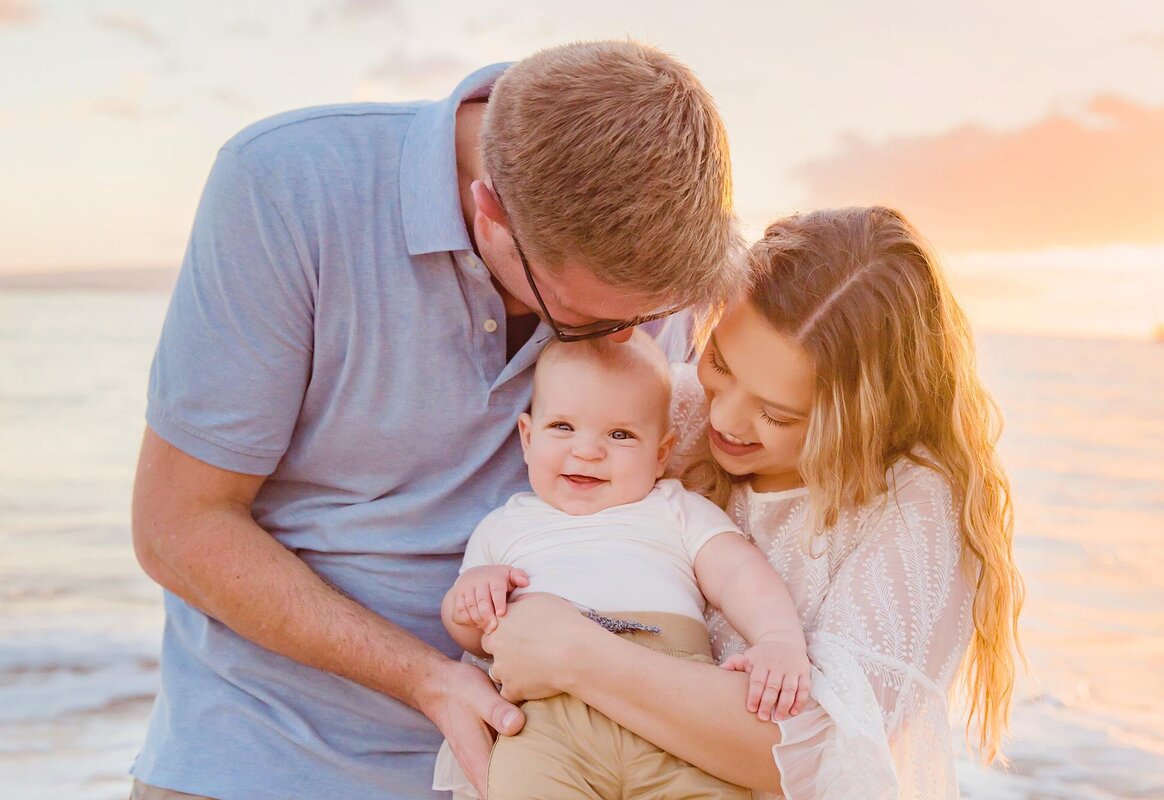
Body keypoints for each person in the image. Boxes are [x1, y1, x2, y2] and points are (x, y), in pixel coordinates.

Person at [128, 41, 746, 800]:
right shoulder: (283, 183)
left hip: (549, 766)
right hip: (263, 758)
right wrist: (428, 681)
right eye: (582, 323)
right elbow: (177, 526)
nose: (629, 339)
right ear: (489, 211)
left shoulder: (644, 269)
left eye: (647, 318)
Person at [481, 206, 1026, 799]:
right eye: (718, 362)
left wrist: (575, 655)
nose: (724, 417)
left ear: (864, 421)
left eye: (779, 414)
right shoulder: (672, 411)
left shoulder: (912, 508)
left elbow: (818, 753)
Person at [432, 332, 810, 799]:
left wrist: (778, 639)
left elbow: (738, 573)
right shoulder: (504, 526)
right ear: (528, 438)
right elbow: (472, 636)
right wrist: (474, 596)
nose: (588, 450)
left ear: (660, 454)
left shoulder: (675, 508)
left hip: (675, 709)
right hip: (549, 723)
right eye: (563, 428)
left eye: (620, 435)